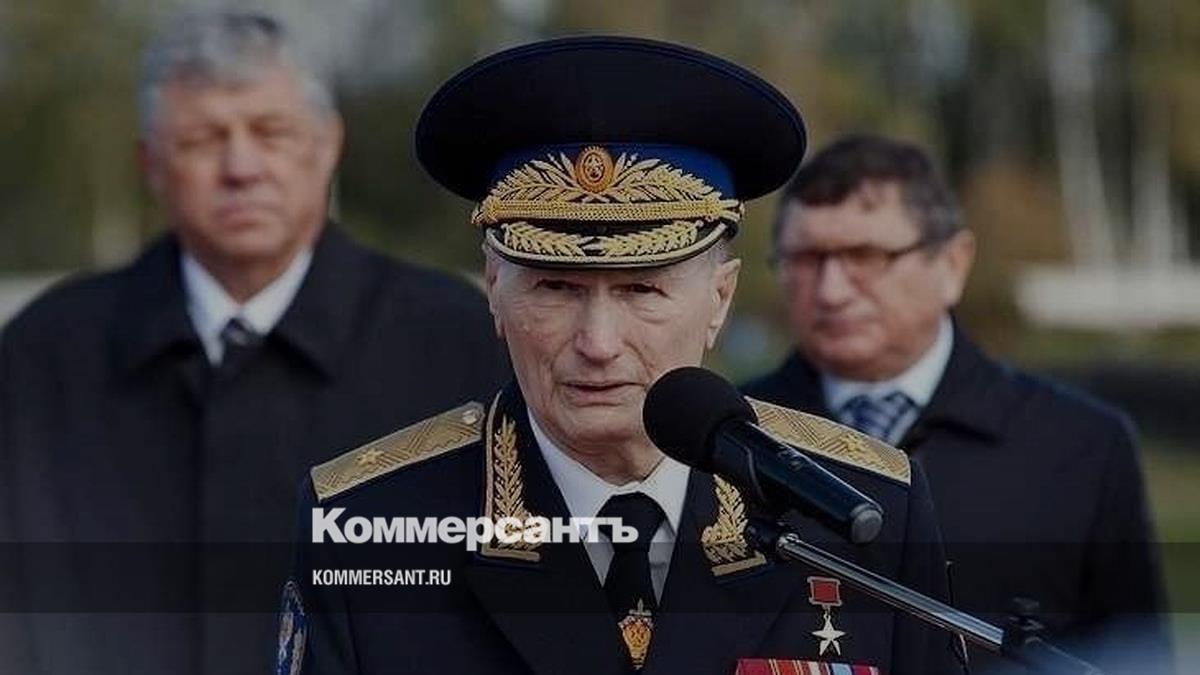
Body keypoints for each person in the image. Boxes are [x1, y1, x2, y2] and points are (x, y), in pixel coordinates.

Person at [280, 37, 960, 675]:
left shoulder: (862, 510)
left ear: (720, 298)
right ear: (493, 288)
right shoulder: (368, 523)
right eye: (556, 289)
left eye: (642, 290)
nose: (598, 343)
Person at [0, 11, 508, 675]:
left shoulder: (458, 342)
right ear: (150, 163)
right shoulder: (44, 360)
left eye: (271, 132)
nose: (241, 167)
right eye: (202, 140)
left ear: (328, 144)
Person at [742, 134, 1170, 670]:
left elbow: (1137, 657)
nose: (831, 291)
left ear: (951, 264)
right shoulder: (727, 437)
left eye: (865, 256)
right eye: (805, 258)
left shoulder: (1082, 447)